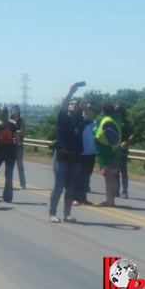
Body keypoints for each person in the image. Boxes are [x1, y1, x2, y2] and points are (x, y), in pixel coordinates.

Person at [48, 84, 93, 223]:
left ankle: (67, 214)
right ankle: (52, 214)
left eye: (75, 104)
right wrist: (71, 92)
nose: (72, 105)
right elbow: (64, 105)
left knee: (71, 187)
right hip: (61, 156)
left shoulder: (81, 121)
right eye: (70, 104)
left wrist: (86, 108)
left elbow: (91, 117)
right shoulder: (62, 118)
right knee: (59, 186)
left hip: (75, 157)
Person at [94, 103, 123, 207]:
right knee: (113, 177)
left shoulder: (107, 121)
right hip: (115, 153)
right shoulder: (116, 120)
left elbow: (109, 137)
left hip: (108, 153)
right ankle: (111, 200)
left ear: (104, 111)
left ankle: (109, 201)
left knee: (109, 178)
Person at [73, 102, 97, 206]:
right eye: (88, 108)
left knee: (87, 176)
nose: (90, 110)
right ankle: (75, 197)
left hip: (91, 152)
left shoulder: (93, 121)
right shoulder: (80, 120)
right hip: (81, 152)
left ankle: (83, 198)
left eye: (91, 109)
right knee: (78, 176)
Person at [115, 105, 136, 199]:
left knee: (123, 171)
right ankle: (116, 190)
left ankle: (124, 191)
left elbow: (133, 134)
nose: (116, 114)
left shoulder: (126, 123)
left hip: (123, 149)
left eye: (117, 112)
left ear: (121, 112)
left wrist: (127, 142)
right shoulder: (114, 122)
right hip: (115, 149)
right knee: (115, 170)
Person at [9, 105, 27, 189]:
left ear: (19, 111)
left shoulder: (21, 120)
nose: (15, 111)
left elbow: (22, 131)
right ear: (11, 111)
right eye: (13, 109)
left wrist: (13, 132)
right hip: (10, 144)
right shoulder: (9, 120)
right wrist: (16, 132)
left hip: (19, 144)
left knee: (20, 164)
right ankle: (8, 183)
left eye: (16, 110)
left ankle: (23, 184)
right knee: (10, 165)